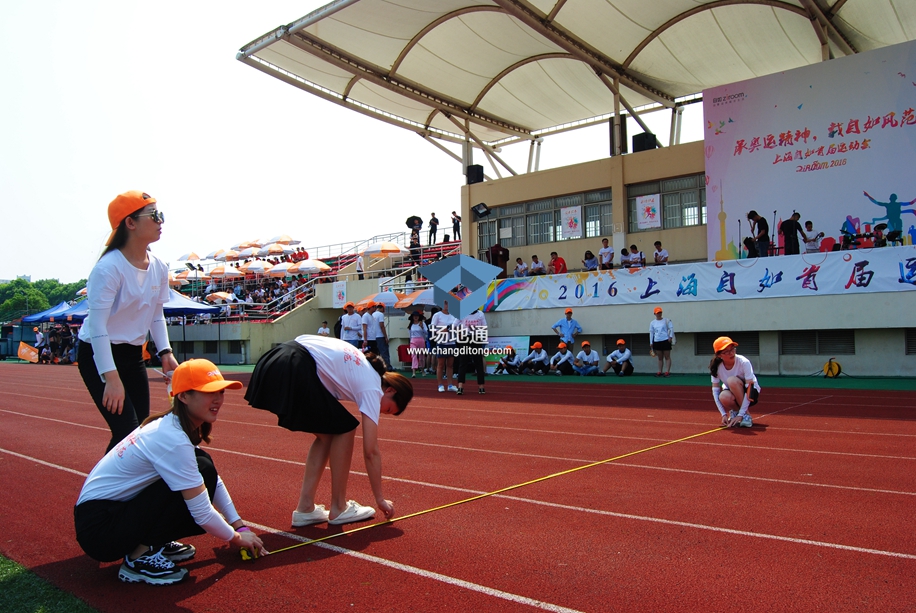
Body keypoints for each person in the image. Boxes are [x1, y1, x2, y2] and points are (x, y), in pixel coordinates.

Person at [74, 359, 266, 585]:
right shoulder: (171, 438)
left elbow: (213, 480)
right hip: (100, 531)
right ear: (183, 397)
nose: (218, 399)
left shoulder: (172, 426)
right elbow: (202, 513)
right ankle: (139, 557)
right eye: (208, 392)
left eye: (221, 391)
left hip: (108, 517)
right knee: (197, 477)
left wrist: (239, 524)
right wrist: (236, 538)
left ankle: (151, 542)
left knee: (202, 465)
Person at [245, 335, 414, 527]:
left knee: (329, 433)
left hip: (276, 359)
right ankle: (339, 507)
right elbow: (370, 451)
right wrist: (380, 499)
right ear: (390, 391)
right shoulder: (372, 386)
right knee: (345, 429)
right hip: (294, 365)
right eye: (388, 409)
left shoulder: (362, 369)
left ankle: (305, 508)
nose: (382, 412)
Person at [77, 191, 179, 453]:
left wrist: (165, 352)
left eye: (161, 215)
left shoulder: (158, 266)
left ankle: (114, 490)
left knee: (138, 432)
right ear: (130, 223)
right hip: (99, 353)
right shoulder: (108, 268)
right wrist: (110, 378)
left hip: (133, 355)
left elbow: (156, 314)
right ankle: (100, 491)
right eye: (154, 215)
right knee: (127, 433)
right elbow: (98, 327)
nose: (161, 221)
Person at [710, 337, 760, 428]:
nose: (731, 353)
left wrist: (742, 414)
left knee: (731, 380)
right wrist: (723, 414)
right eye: (726, 351)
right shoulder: (716, 367)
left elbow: (750, 387)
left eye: (732, 349)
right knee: (723, 396)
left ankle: (745, 415)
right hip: (733, 394)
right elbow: (715, 392)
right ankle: (736, 412)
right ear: (719, 355)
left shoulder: (744, 362)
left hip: (751, 394)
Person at [455, 309, 487, 395]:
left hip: (476, 338)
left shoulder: (480, 314)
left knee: (478, 362)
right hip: (465, 338)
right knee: (463, 362)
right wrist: (459, 333)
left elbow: (484, 327)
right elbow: (454, 325)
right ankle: (460, 386)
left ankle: (481, 386)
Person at [431, 300, 458, 392]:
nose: (447, 305)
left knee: (450, 365)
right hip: (441, 343)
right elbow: (433, 329)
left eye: (448, 303)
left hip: (452, 342)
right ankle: (440, 385)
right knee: (441, 365)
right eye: (445, 303)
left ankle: (450, 385)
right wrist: (445, 329)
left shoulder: (454, 315)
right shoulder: (437, 315)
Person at [649, 306, 674, 377]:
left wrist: (670, 337)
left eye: (660, 312)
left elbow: (671, 328)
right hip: (657, 341)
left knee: (667, 356)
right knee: (660, 357)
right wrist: (651, 342)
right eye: (657, 313)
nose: (659, 314)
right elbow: (651, 332)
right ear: (654, 314)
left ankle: (667, 371)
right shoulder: (652, 323)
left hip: (665, 340)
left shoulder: (666, 320)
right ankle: (659, 371)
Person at [407, 311, 428, 377]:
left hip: (421, 340)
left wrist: (422, 327)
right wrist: (410, 342)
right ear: (412, 317)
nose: (416, 317)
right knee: (414, 355)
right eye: (414, 316)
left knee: (421, 356)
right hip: (413, 341)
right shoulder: (411, 325)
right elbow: (410, 334)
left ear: (419, 317)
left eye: (417, 316)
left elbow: (427, 332)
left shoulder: (422, 323)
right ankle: (414, 372)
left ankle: (422, 370)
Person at [372, 303, 391, 370]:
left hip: (373, 337)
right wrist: (385, 336)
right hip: (380, 336)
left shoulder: (372, 314)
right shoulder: (380, 314)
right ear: (382, 308)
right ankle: (387, 367)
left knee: (375, 353)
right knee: (384, 352)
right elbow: (382, 326)